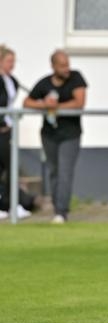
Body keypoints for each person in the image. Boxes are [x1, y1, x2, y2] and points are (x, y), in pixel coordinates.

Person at [23, 50, 87, 224]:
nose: (67, 68)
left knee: (65, 172)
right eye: (62, 65)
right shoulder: (44, 83)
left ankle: (62, 212)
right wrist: (43, 104)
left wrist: (57, 106)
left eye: (68, 64)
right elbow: (27, 102)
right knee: (54, 172)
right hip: (49, 134)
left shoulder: (76, 78)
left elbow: (79, 102)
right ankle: (57, 208)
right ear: (53, 66)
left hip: (70, 134)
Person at [0, 45, 38, 220]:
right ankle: (5, 204)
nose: (12, 65)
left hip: (7, 130)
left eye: (13, 61)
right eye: (9, 61)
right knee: (5, 167)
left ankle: (12, 204)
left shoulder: (12, 80)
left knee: (10, 168)